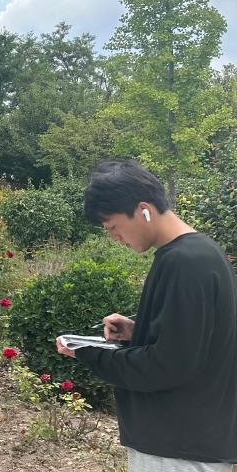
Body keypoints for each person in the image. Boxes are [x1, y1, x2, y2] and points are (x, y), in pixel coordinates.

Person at [55, 159, 237, 471]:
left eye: (113, 226)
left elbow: (167, 366)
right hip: (190, 439)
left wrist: (89, 353)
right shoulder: (198, 253)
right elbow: (199, 337)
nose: (114, 237)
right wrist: (137, 330)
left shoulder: (185, 262)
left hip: (178, 449)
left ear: (143, 209)